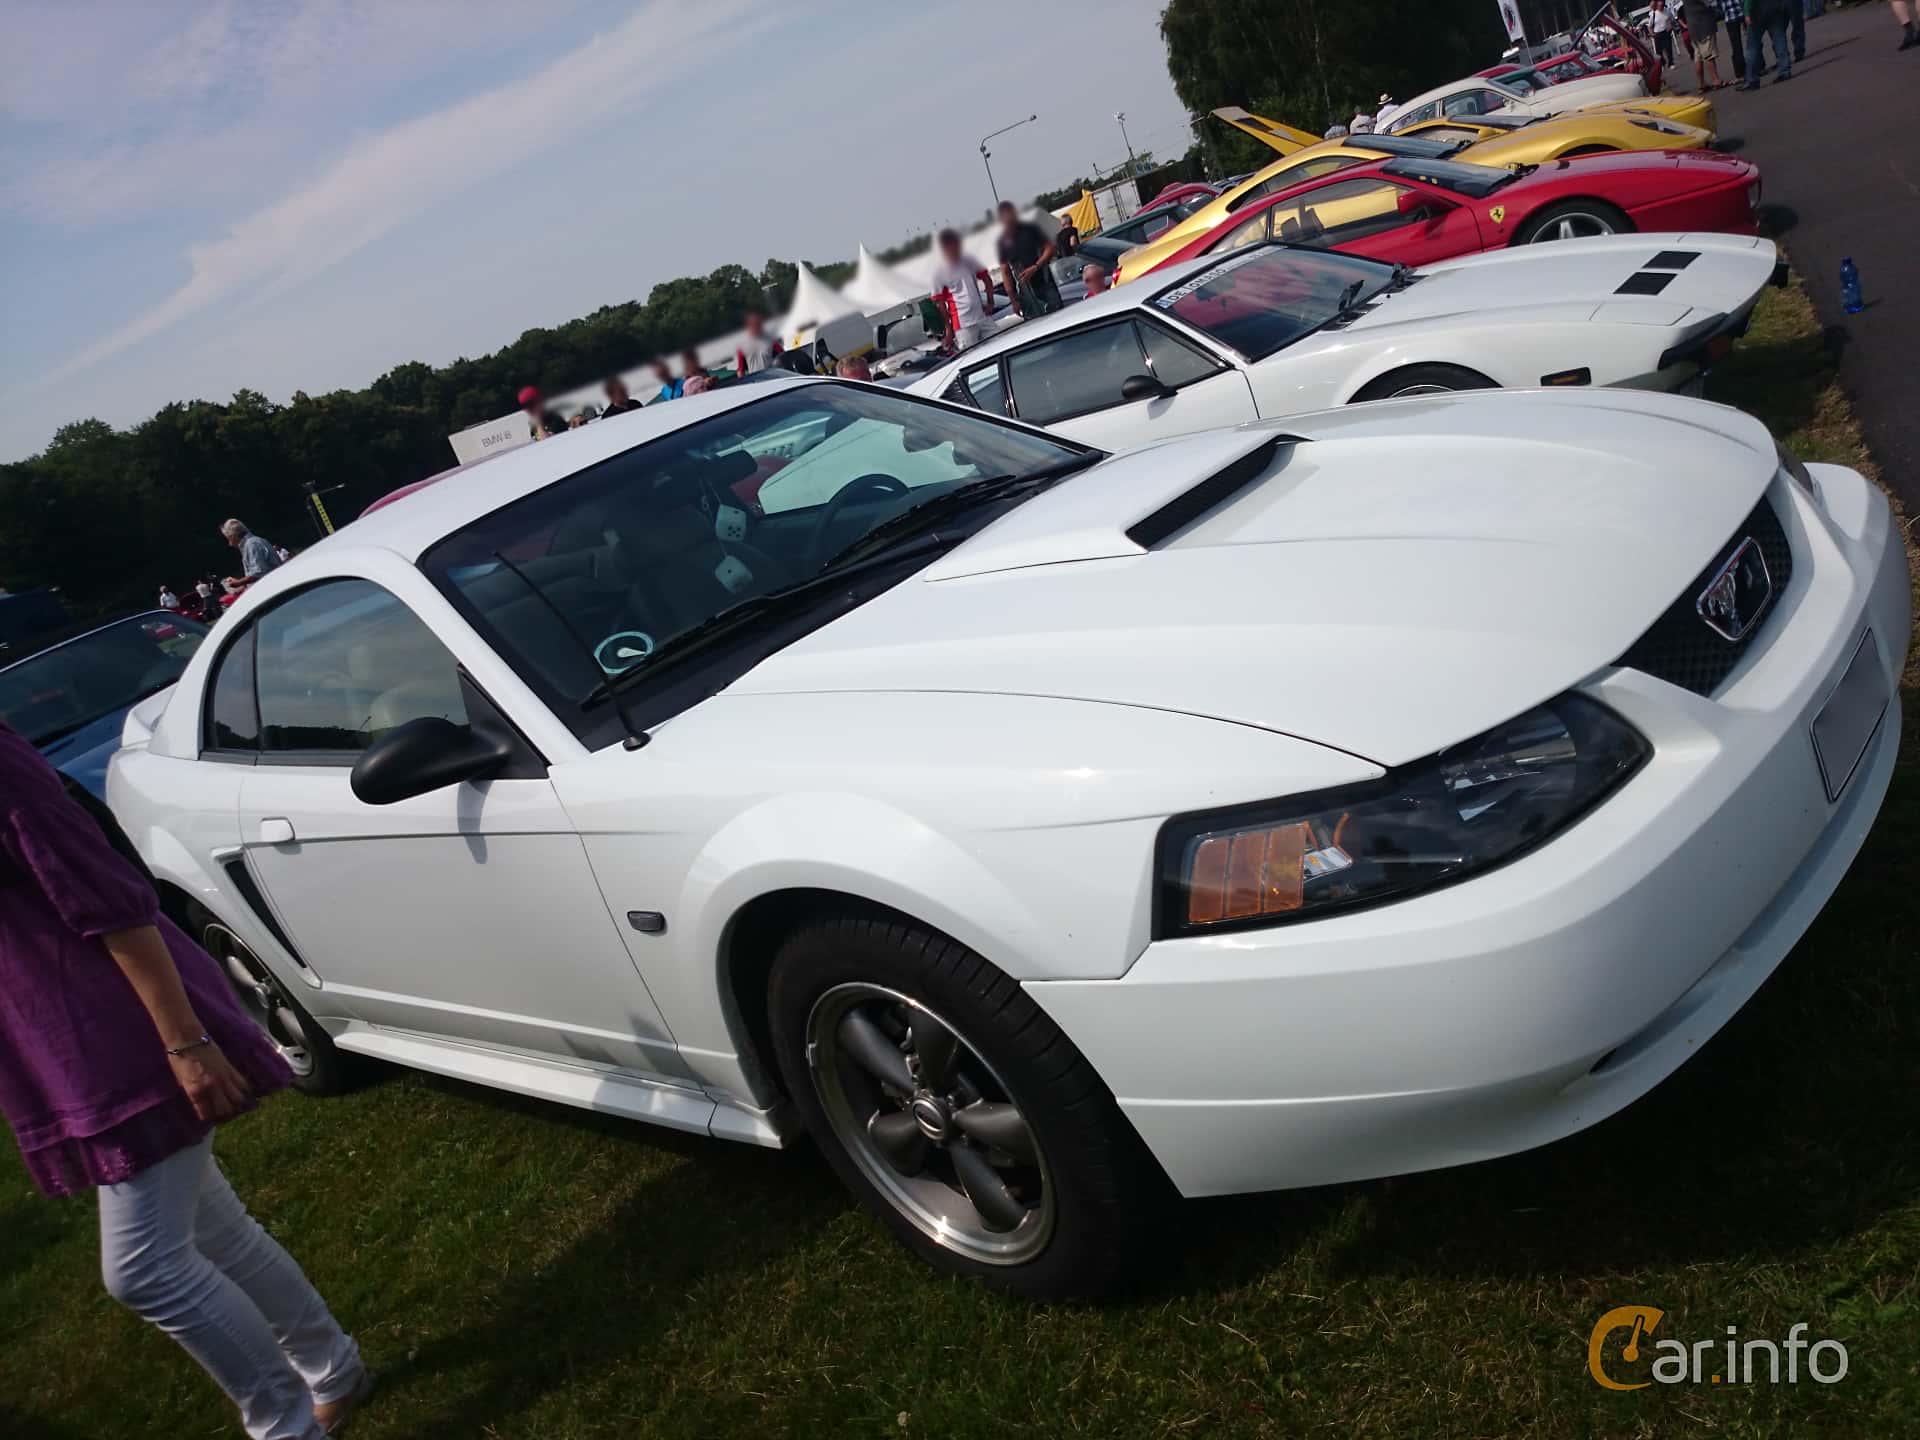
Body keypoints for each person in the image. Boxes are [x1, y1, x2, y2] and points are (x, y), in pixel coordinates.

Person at [0, 726, 373, 1440]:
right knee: (218, 1233)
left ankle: (285, 1425)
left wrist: (186, 1042)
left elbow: (109, 898)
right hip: (61, 1041)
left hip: (116, 1034)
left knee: (143, 1270)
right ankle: (331, 1369)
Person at [928, 226, 995, 350]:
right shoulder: (938, 271)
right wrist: (948, 328)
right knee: (972, 355)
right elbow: (940, 303)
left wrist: (990, 302)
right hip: (963, 323)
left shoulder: (970, 260)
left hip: (982, 316)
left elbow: (986, 279)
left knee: (998, 343)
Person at [994, 201, 1061, 319]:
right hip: (1026, 292)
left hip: (1044, 283)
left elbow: (1050, 248)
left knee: (1058, 318)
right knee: (1034, 323)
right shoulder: (1002, 242)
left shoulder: (1030, 229)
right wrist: (1014, 300)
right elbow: (1005, 272)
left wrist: (1036, 266)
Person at [1738, 0, 1793, 85]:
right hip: (1774, 9)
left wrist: (1747, 13)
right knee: (1779, 40)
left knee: (1753, 46)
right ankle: (1785, 71)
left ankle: (1751, 78)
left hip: (1758, 12)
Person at [221, 519, 282, 586]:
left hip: (273, 586)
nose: (230, 544)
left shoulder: (252, 545)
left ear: (233, 536)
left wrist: (238, 582)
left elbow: (258, 573)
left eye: (228, 538)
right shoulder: (252, 542)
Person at [1682, 0, 1726, 86]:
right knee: (1709, 55)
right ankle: (1716, 80)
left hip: (1693, 27)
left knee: (1698, 57)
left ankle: (1701, 84)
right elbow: (1708, 2)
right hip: (1703, 25)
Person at [733, 311, 782, 376]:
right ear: (749, 325)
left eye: (758, 323)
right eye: (754, 324)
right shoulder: (742, 346)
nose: (756, 326)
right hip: (755, 379)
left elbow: (783, 356)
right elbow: (740, 370)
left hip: (772, 377)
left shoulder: (771, 340)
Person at [1719, 0, 1748, 78]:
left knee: (1736, 46)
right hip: (1742, 12)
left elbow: (1715, 4)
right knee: (1752, 40)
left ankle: (1740, 72)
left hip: (1730, 16)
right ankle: (1758, 65)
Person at [1650, 0, 1676, 66]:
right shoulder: (1653, 14)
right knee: (1659, 51)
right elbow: (1650, 26)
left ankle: (1671, 63)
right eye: (1660, 5)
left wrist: (1671, 26)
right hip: (1657, 34)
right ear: (1657, 5)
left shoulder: (1667, 11)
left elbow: (1673, 21)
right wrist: (1652, 33)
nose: (1661, 6)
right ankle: (1663, 62)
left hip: (1666, 32)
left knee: (1668, 48)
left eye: (1662, 5)